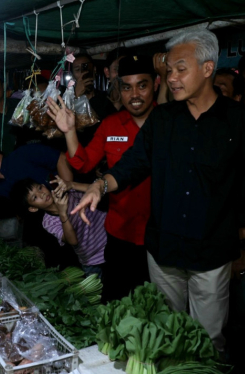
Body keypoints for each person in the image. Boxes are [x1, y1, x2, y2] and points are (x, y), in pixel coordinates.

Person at [70, 29, 245, 352]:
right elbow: (132, 164)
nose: (171, 77)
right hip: (163, 251)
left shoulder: (243, 123)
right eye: (169, 69)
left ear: (207, 68)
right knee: (165, 332)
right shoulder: (162, 119)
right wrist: (100, 185)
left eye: (179, 69)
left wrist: (242, 246)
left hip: (212, 252)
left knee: (207, 340)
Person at [47, 55, 156, 301]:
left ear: (155, 84)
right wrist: (70, 131)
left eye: (142, 85)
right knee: (115, 301)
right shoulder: (111, 124)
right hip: (120, 232)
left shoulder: (169, 123)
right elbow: (83, 163)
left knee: (155, 307)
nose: (134, 94)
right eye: (127, 87)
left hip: (158, 236)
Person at [10, 177, 106, 279]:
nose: (41, 194)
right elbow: (73, 241)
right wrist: (62, 213)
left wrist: (72, 184)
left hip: (111, 238)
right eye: (35, 198)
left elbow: (99, 190)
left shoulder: (67, 192)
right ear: (33, 208)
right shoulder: (48, 222)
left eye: (39, 188)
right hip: (93, 258)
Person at [72, 53, 116, 121]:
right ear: (73, 75)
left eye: (85, 68)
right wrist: (76, 96)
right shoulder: (67, 98)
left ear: (94, 69)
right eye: (77, 70)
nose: (82, 73)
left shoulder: (105, 98)